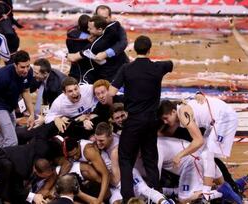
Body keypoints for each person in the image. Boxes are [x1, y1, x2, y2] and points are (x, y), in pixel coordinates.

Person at [107, 35, 173, 202]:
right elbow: (171, 64)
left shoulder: (126, 69)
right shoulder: (158, 67)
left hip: (134, 120)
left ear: (134, 49)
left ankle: (129, 198)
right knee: (151, 160)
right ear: (150, 50)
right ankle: (156, 196)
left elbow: (111, 94)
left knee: (125, 158)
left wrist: (114, 107)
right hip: (151, 121)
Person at [158, 94, 237, 200]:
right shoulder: (177, 111)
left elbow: (198, 141)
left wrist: (179, 155)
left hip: (225, 118)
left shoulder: (182, 113)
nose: (165, 122)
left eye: (165, 118)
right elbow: (167, 132)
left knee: (206, 155)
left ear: (173, 112)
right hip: (215, 121)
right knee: (201, 155)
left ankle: (207, 194)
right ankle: (224, 189)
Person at [0, 50, 35, 148]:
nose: (26, 70)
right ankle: (7, 161)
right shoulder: (2, 76)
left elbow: (26, 91)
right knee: (11, 141)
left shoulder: (28, 72)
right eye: (22, 67)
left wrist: (31, 113)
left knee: (5, 139)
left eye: (28, 66)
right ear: (15, 65)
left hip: (10, 107)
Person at [65, 137, 110, 204]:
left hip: (108, 171)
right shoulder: (72, 149)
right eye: (71, 156)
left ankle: (106, 196)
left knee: (86, 171)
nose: (75, 157)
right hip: (97, 173)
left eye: (76, 154)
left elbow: (106, 174)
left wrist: (99, 200)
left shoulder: (88, 150)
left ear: (78, 146)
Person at [66, 14, 91, 83]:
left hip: (74, 66)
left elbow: (70, 31)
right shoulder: (90, 39)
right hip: (85, 66)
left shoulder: (71, 36)